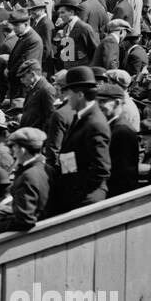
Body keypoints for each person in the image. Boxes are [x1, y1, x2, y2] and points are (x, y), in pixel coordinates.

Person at [47, 66, 111, 215]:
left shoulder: (95, 123)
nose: (67, 97)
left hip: (86, 199)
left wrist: (78, 191)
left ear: (80, 95)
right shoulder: (81, 116)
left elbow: (101, 169)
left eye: (69, 93)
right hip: (74, 191)